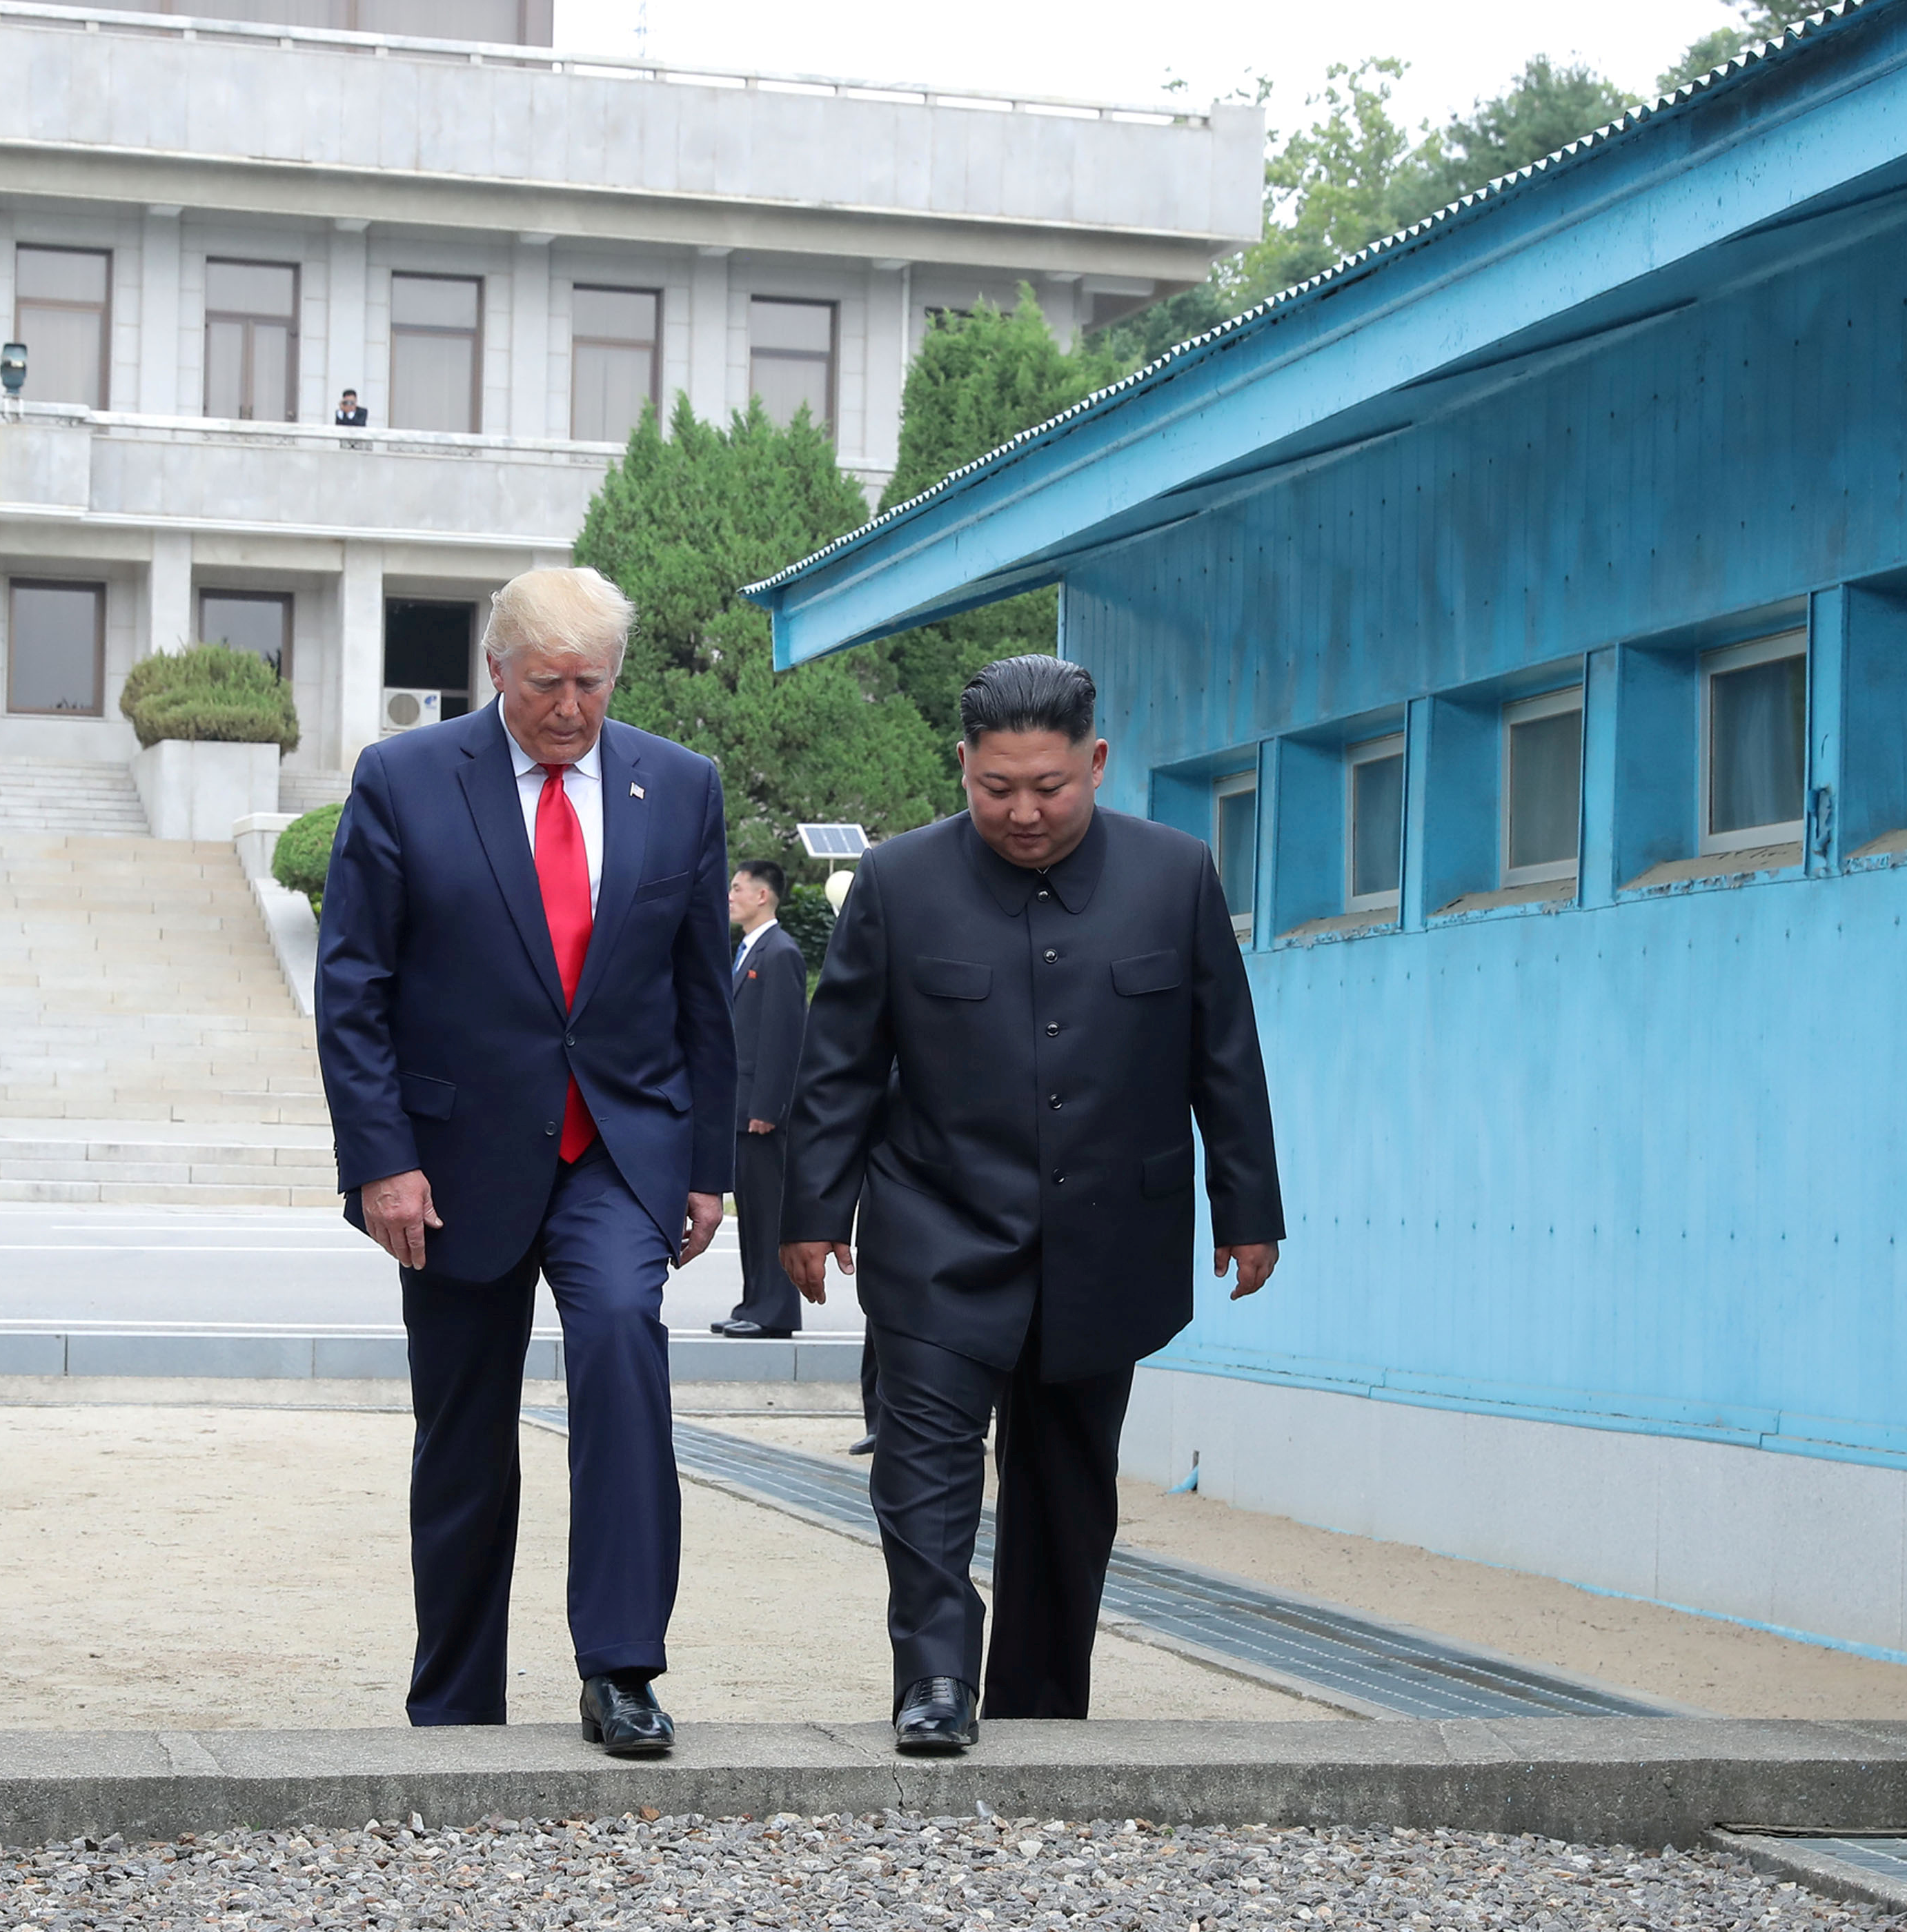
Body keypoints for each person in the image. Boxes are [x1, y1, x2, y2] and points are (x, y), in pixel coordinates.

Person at [780, 653, 1283, 1755]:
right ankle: (936, 1684)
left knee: (1067, 1488)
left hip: (1108, 1239)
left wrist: (1250, 1207)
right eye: (994, 786)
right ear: (962, 766)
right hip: (935, 1225)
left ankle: (1045, 1704)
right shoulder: (898, 883)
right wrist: (811, 1211)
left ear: (1095, 764)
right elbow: (841, 1064)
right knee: (923, 1473)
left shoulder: (1176, 876)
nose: (1021, 811)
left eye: (1048, 787)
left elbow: (1225, 1057)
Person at [315, 565, 735, 1756]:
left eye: (589, 683)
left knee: (618, 1346)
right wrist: (381, 1161)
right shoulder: (403, 779)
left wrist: (707, 1163)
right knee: (461, 1432)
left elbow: (704, 991)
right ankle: (453, 1699)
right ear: (495, 670)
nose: (568, 707)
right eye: (546, 681)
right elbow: (354, 988)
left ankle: (620, 1669)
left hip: (617, 1147)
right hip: (447, 1164)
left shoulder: (678, 786)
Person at [712, 860, 807, 1339]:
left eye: (737, 888)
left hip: (761, 1113)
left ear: (763, 896)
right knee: (751, 1212)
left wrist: (768, 1108)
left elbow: (783, 1037)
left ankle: (775, 1311)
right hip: (743, 1108)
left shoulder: (780, 952)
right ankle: (754, 1302)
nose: (730, 895)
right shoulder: (750, 950)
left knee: (769, 1214)